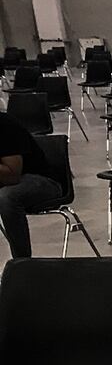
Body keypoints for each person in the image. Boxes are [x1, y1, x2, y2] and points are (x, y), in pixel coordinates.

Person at [0, 110, 64, 259]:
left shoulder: (4, 124)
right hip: (7, 181)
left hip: (43, 181)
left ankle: (22, 263)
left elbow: (12, 175)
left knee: (6, 198)